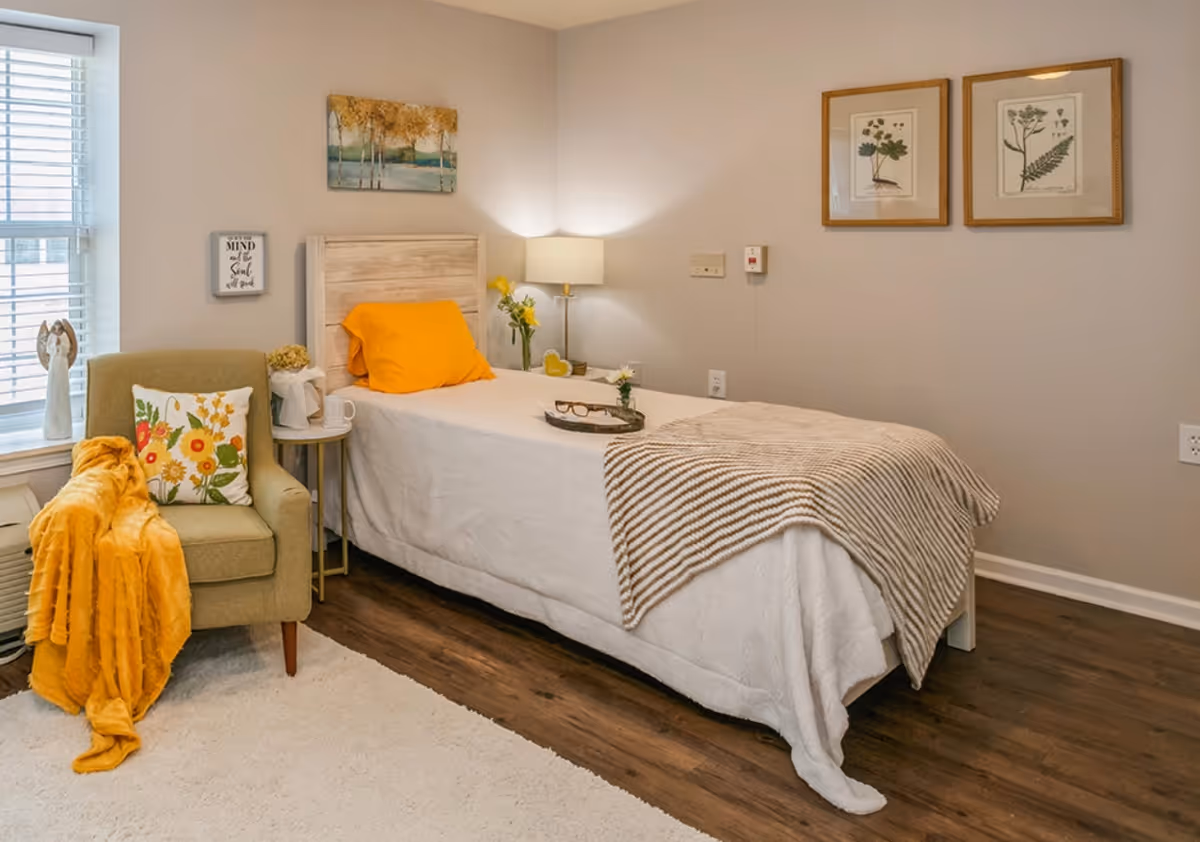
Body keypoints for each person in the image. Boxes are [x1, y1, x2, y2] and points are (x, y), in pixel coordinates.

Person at [43, 320, 72, 440]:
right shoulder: (51, 337)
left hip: (62, 363)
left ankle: (64, 428)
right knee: (53, 394)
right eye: (55, 327)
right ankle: (52, 429)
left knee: (62, 395)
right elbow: (48, 349)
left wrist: (61, 346)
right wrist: (55, 346)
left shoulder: (64, 336)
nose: (57, 329)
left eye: (59, 327)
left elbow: (67, 349)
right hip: (54, 363)